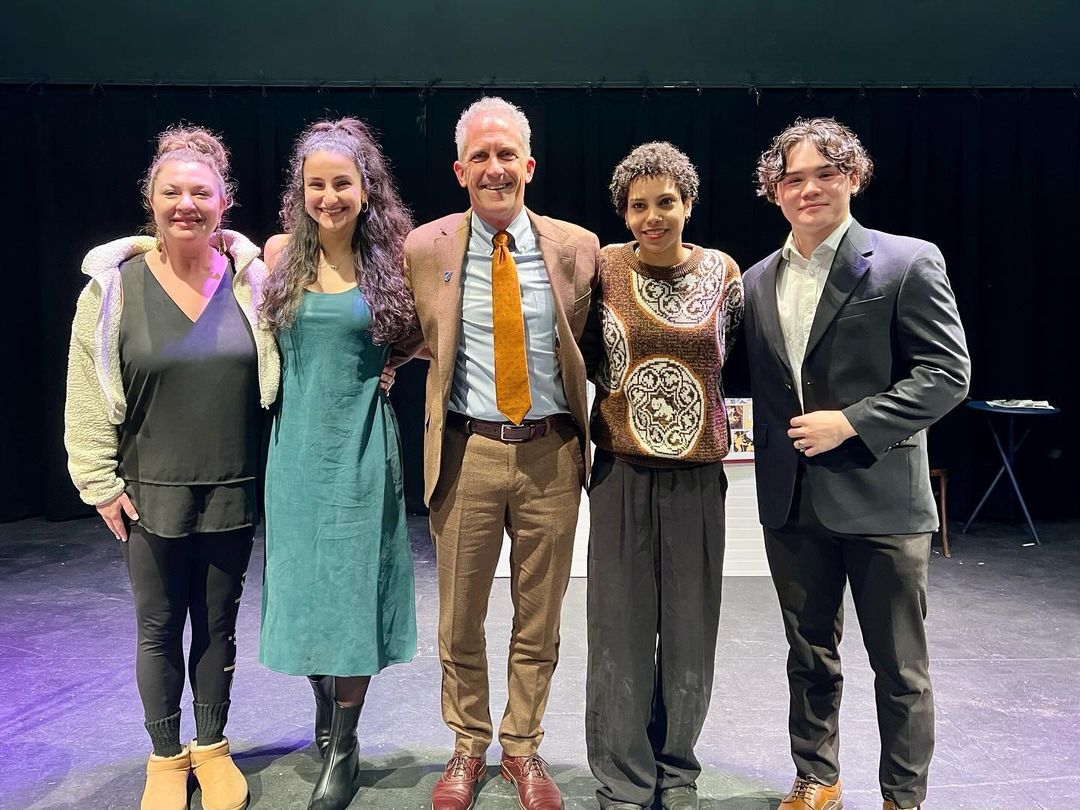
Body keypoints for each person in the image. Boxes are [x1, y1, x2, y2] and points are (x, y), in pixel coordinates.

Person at [742, 118, 970, 810]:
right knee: (809, 657)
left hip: (882, 499)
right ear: (774, 191)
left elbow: (946, 375)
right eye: (793, 178)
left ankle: (903, 797)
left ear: (854, 178)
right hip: (791, 501)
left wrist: (851, 421)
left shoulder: (907, 261)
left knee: (900, 669)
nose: (808, 189)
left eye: (825, 173)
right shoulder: (755, 280)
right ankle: (818, 778)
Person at [64, 125, 279, 810]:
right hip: (150, 489)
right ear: (151, 200)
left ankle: (211, 748)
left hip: (231, 484)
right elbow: (86, 387)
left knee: (217, 624)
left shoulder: (253, 285)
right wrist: (98, 481)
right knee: (157, 628)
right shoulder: (113, 289)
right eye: (172, 192)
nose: (186, 204)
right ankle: (165, 756)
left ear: (223, 203)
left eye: (201, 193)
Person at [402, 96, 599, 810]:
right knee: (459, 620)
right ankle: (466, 745)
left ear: (529, 165)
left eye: (506, 154)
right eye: (479, 156)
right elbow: (396, 326)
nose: (494, 168)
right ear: (460, 170)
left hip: (552, 454)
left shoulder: (577, 248)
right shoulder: (424, 248)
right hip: (468, 452)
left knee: (538, 616)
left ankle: (522, 747)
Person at [258, 118, 417, 810]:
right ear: (301, 191)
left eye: (342, 183)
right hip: (294, 454)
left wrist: (394, 363)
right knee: (305, 591)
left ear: (365, 187)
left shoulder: (395, 261)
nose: (329, 197)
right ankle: (323, 705)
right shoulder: (276, 255)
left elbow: (432, 330)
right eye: (316, 184)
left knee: (353, 593)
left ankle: (345, 743)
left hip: (361, 450)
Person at [581, 142, 743, 810]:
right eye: (639, 205)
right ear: (624, 213)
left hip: (698, 481)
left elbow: (730, 359)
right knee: (617, 633)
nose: (653, 216)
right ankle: (623, 780)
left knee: (689, 635)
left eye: (666, 202)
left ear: (688, 204)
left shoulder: (725, 274)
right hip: (621, 475)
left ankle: (676, 772)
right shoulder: (603, 269)